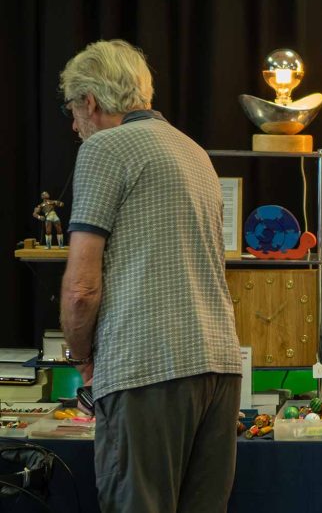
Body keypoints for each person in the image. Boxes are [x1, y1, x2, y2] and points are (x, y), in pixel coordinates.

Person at [58, 39, 242, 512]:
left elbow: (81, 289)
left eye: (72, 109)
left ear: (90, 102)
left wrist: (81, 358)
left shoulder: (103, 147)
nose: (74, 125)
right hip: (219, 365)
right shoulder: (193, 151)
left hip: (146, 369)